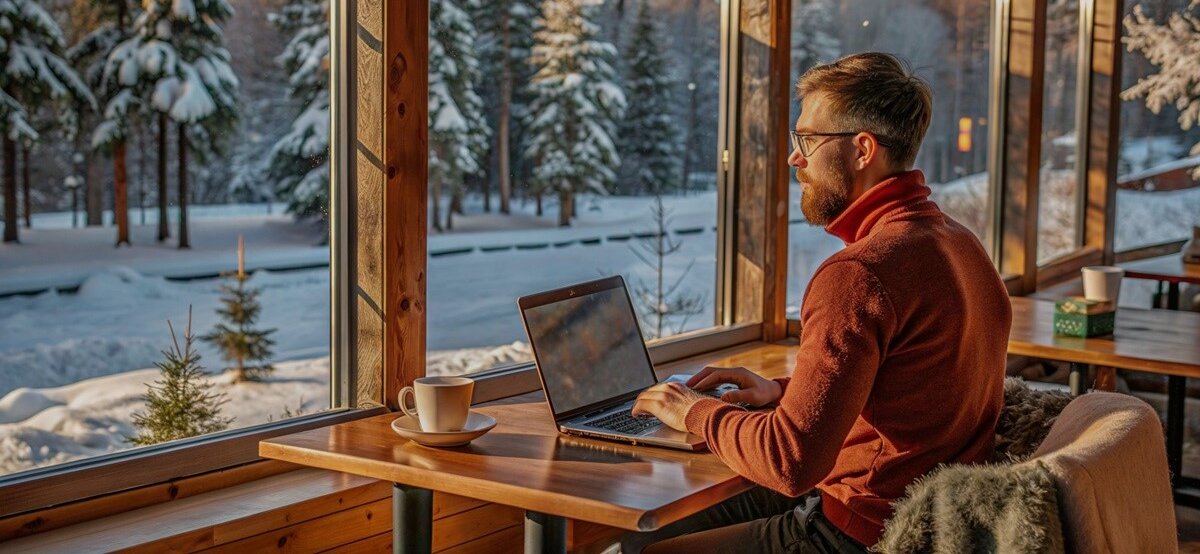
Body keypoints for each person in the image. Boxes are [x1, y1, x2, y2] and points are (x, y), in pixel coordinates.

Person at [626, 52, 1012, 553]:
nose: (794, 158)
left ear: (862, 149)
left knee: (644, 546)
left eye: (807, 140)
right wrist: (786, 393)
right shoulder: (960, 244)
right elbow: (906, 387)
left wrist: (694, 411)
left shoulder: (859, 274)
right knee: (673, 522)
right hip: (943, 522)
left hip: (866, 532)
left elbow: (791, 462)